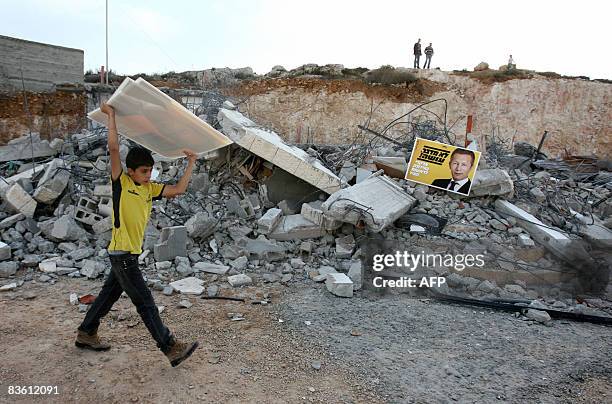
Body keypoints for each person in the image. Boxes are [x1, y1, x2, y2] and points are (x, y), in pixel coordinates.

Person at [75, 103, 199, 367]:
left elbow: (178, 189)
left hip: (128, 252)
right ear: (131, 171)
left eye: (151, 170)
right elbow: (114, 149)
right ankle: (170, 347)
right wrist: (111, 116)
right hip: (122, 255)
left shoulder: (149, 189)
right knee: (145, 303)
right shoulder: (122, 182)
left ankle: (86, 333)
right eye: (144, 171)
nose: (148, 175)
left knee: (108, 295)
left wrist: (191, 162)